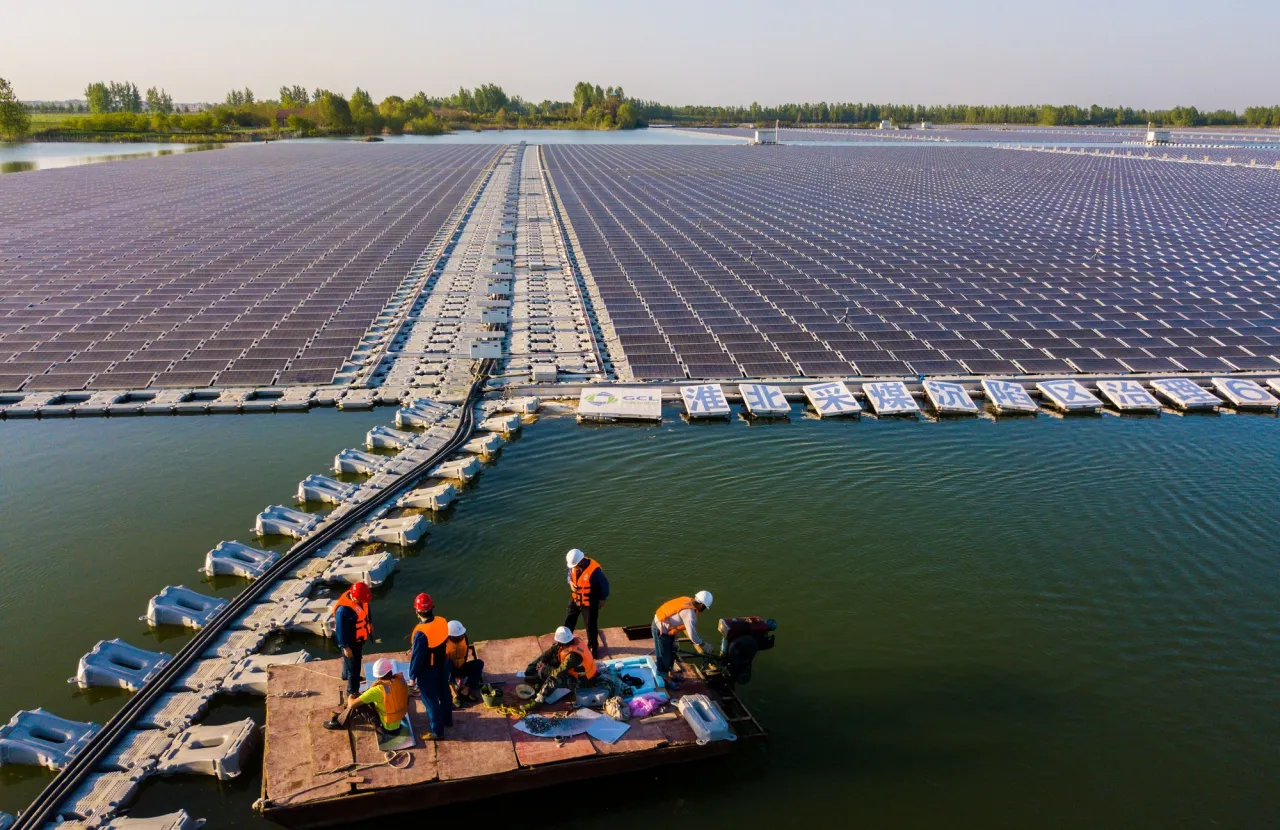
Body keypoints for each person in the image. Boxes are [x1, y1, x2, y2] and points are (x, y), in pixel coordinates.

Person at [324, 657, 408, 741]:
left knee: (356, 702)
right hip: (397, 723)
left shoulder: (378, 690)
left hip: (385, 728)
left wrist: (350, 696)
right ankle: (342, 717)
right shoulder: (401, 681)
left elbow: (352, 704)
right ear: (390, 671)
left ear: (377, 675)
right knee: (366, 698)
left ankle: (339, 722)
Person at [409, 592, 452, 740]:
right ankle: (448, 720)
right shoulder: (442, 621)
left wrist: (412, 676)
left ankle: (437, 732)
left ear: (417, 611)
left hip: (428, 671)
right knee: (444, 692)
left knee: (430, 701)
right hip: (443, 664)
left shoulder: (420, 633)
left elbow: (417, 657)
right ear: (432, 607)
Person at [652, 591, 714, 687]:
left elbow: (676, 618)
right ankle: (666, 679)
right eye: (705, 607)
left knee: (672, 651)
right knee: (664, 655)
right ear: (702, 604)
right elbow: (693, 636)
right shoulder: (690, 615)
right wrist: (703, 644)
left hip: (669, 628)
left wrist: (675, 637)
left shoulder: (687, 600)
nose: (704, 609)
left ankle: (671, 673)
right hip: (660, 628)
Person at [521, 626, 598, 701]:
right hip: (574, 672)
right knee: (553, 656)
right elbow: (552, 650)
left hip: (583, 680)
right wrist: (543, 661)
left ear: (562, 641)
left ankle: (539, 698)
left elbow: (559, 672)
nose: (557, 643)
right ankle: (539, 678)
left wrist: (544, 669)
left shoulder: (573, 656)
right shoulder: (571, 642)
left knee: (555, 678)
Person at [563, 548, 609, 657]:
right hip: (576, 598)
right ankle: (565, 641)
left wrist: (602, 599)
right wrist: (571, 584)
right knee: (569, 619)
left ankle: (593, 648)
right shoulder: (574, 567)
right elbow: (570, 575)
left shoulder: (595, 571)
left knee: (590, 625)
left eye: (575, 565)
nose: (573, 568)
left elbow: (605, 585)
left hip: (590, 601)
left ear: (581, 562)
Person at [330, 582, 373, 699]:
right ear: (354, 597)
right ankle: (352, 692)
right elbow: (340, 631)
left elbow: (366, 611)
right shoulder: (343, 611)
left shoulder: (361, 600)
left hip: (358, 639)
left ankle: (345, 675)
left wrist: (370, 624)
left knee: (349, 663)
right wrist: (345, 647)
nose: (364, 601)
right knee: (354, 666)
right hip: (350, 642)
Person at [444, 620, 485, 706]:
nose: (460, 637)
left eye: (461, 635)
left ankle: (465, 689)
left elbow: (465, 655)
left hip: (460, 667)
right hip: (447, 671)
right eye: (457, 636)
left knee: (479, 664)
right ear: (449, 636)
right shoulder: (442, 643)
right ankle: (454, 694)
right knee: (447, 663)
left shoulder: (464, 638)